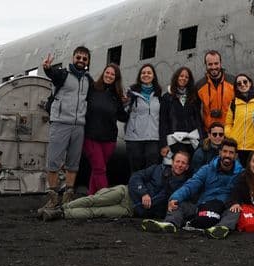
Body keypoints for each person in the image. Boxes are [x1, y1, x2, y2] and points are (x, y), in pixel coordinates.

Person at [40, 150, 192, 222]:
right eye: (177, 161)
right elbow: (136, 178)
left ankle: (61, 214)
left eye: (183, 163)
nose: (179, 165)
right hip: (125, 193)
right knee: (93, 200)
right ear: (172, 162)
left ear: (187, 167)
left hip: (130, 210)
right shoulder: (158, 169)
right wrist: (144, 193)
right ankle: (61, 207)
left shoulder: (183, 188)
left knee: (96, 212)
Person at [142, 138, 243, 239]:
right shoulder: (207, 169)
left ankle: (221, 228)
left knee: (235, 210)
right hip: (203, 205)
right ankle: (170, 223)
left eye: (231, 152)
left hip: (224, 207)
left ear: (235, 155)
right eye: (225, 151)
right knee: (178, 204)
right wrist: (174, 198)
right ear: (220, 152)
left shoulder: (241, 174)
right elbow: (190, 185)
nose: (227, 155)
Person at [40, 46, 91, 216]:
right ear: (73, 58)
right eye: (78, 57)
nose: (81, 61)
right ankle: (53, 197)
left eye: (84, 59)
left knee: (73, 163)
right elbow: (52, 74)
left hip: (78, 125)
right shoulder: (63, 74)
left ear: (88, 61)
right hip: (61, 122)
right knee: (54, 161)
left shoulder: (87, 80)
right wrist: (47, 67)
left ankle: (68, 197)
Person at [82, 63, 128, 195]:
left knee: (97, 170)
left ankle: (91, 197)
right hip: (91, 137)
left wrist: (130, 104)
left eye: (113, 74)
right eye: (107, 72)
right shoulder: (93, 88)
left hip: (109, 140)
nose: (109, 75)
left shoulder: (116, 96)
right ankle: (106, 198)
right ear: (103, 73)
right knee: (100, 169)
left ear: (116, 78)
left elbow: (122, 116)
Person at [123, 63, 163, 173]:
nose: (146, 75)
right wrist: (125, 103)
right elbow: (123, 113)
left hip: (153, 139)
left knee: (151, 171)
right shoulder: (132, 93)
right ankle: (136, 190)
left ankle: (149, 190)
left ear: (153, 76)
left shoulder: (159, 95)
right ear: (140, 76)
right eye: (143, 73)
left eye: (149, 73)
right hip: (134, 139)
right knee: (136, 171)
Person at [159, 67, 202, 162]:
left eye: (187, 77)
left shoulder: (193, 97)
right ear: (176, 77)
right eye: (181, 76)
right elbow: (163, 122)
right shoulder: (167, 97)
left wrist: (201, 139)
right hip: (174, 141)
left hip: (191, 141)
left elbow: (197, 119)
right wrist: (163, 144)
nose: (184, 78)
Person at [225, 72, 254, 168]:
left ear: (250, 83)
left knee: (253, 172)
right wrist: (231, 135)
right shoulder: (233, 103)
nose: (243, 85)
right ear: (236, 87)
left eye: (245, 82)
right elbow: (228, 123)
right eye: (239, 84)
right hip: (238, 147)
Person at [196, 50, 235, 132]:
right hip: (210, 133)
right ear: (206, 65)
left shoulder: (233, 82)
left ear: (220, 63)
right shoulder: (199, 86)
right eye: (210, 64)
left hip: (230, 132)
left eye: (216, 63)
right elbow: (194, 112)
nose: (213, 67)